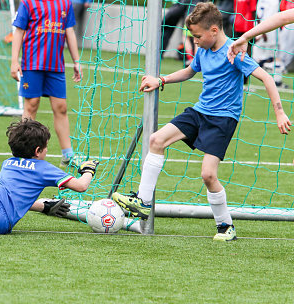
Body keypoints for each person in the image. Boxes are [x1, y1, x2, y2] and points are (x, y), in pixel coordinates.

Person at [112, 2, 291, 241]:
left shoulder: (234, 52)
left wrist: (279, 113)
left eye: (197, 36)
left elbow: (267, 78)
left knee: (208, 175)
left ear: (214, 31)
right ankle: (143, 201)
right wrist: (161, 80)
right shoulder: (203, 50)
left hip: (223, 119)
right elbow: (189, 71)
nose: (194, 41)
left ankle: (225, 226)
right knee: (156, 140)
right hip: (199, 112)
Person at [10, 0, 82, 169]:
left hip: (56, 67)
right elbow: (19, 32)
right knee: (31, 105)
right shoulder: (28, 3)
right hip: (32, 64)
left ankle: (68, 155)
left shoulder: (65, 4)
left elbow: (69, 31)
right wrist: (14, 61)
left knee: (61, 107)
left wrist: (76, 61)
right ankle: (25, 154)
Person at [228, 8, 294, 63]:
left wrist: (245, 37)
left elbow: (282, 18)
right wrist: (245, 37)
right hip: (242, 27)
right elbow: (282, 18)